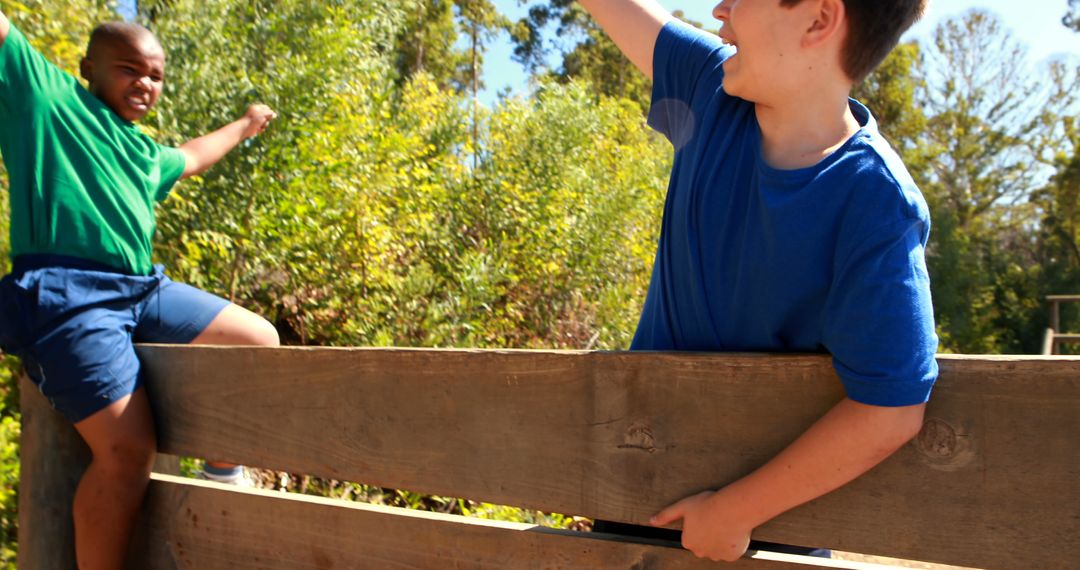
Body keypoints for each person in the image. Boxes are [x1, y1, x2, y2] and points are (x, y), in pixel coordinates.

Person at [576, 0, 938, 562]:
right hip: (632, 508)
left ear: (819, 20)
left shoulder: (877, 202)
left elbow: (892, 407)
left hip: (764, 539)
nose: (720, 10)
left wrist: (734, 511)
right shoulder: (711, 86)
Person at [0, 13, 280, 569]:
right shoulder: (46, 97)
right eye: (129, 70)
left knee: (258, 338)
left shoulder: (142, 153)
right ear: (88, 69)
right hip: (69, 297)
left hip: (142, 289)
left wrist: (246, 123)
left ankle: (222, 473)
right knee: (128, 454)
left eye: (155, 76)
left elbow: (195, 155)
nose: (144, 85)